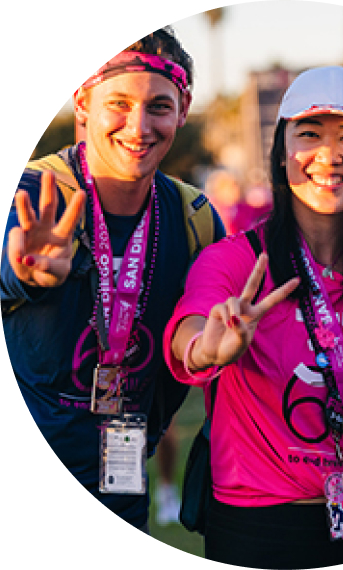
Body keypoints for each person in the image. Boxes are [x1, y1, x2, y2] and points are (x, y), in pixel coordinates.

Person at [164, 66, 343, 568]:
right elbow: (188, 338)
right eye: (309, 135)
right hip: (258, 525)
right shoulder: (236, 261)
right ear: (281, 153)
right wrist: (212, 349)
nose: (330, 154)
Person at [1, 27, 225, 532]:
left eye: (160, 107)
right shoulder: (29, 192)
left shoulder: (196, 218)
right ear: (83, 101)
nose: (138, 126)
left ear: (182, 112)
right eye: (118, 103)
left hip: (123, 488)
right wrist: (23, 277)